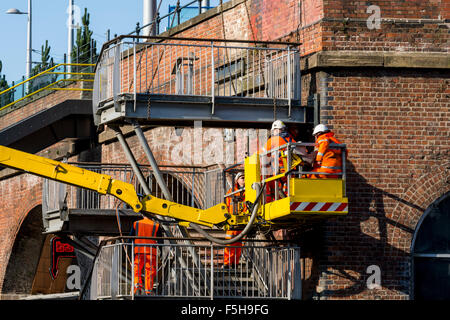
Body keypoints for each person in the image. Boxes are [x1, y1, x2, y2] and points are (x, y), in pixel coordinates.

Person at [259, 120, 296, 202]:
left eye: (274, 130)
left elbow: (262, 153)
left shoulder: (274, 140)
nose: (273, 132)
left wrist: (250, 158)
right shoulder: (291, 140)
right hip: (292, 171)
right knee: (288, 189)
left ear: (277, 130)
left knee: (275, 187)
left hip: (279, 171)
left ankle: (283, 200)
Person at [130, 217, 162, 295]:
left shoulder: (136, 223)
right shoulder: (156, 225)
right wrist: (161, 253)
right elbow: (161, 241)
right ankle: (148, 291)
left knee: (136, 269)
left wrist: (129, 250)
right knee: (150, 271)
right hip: (151, 252)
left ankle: (137, 286)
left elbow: (130, 238)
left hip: (139, 251)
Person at [223, 172, 246, 268]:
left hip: (243, 221)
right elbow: (227, 205)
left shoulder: (249, 191)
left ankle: (235, 263)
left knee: (239, 244)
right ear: (237, 180)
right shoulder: (231, 192)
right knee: (229, 243)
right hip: (232, 221)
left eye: (245, 177)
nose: (244, 179)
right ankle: (227, 263)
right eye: (242, 177)